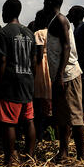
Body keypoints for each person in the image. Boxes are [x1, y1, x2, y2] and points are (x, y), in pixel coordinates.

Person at [44, 0, 84, 162]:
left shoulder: (60, 20)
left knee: (74, 116)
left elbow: (66, 47)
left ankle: (82, 154)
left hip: (68, 74)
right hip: (59, 76)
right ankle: (64, 151)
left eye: (45, 1)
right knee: (61, 116)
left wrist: (60, 74)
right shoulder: (55, 20)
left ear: (50, 2)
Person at [0, 0, 36, 167]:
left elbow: (2, 60)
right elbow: (34, 60)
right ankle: (30, 156)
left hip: (11, 82)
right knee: (29, 119)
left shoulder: (3, 33)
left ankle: (11, 158)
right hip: (28, 80)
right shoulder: (29, 33)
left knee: (9, 122)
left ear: (7, 11)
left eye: (3, 11)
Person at [33, 10, 52, 140]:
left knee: (40, 99)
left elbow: (39, 55)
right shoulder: (54, 33)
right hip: (52, 64)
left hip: (42, 66)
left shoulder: (38, 33)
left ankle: (40, 133)